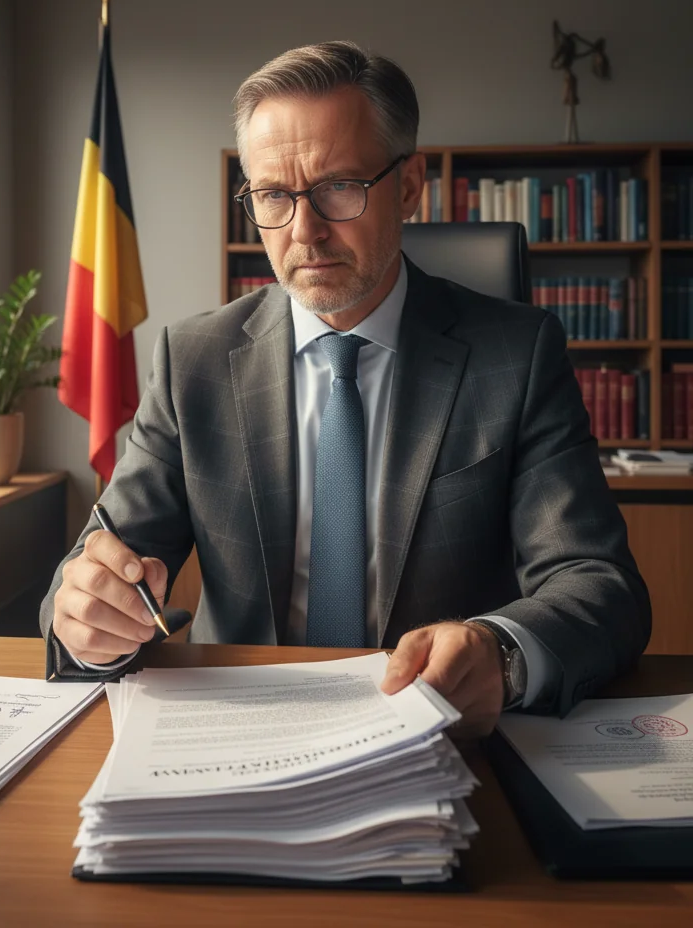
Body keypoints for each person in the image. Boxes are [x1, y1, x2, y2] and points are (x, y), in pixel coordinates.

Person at [39, 41, 650, 736]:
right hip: (238, 731)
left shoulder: (517, 354)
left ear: (411, 186)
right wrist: (85, 611)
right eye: (272, 196)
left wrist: (501, 653)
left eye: (338, 188)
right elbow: (96, 567)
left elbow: (602, 587)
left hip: (436, 730)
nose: (305, 231)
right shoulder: (194, 361)